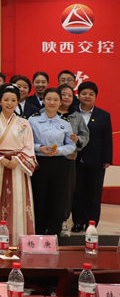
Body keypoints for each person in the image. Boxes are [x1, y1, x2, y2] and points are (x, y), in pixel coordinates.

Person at [0, 84, 36, 246]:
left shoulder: (24, 123)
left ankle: (18, 237)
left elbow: (29, 146)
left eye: (13, 100)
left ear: (18, 101)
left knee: (18, 201)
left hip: (18, 166)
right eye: (6, 100)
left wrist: (17, 159)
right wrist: (0, 159)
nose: (9, 103)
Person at [28, 88, 76, 236]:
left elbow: (71, 145)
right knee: (39, 196)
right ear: (43, 100)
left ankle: (54, 232)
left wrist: (59, 151)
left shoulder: (65, 122)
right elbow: (26, 143)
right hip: (39, 163)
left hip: (60, 164)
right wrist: (40, 148)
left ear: (60, 102)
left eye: (56, 99)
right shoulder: (32, 120)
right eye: (49, 99)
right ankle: (38, 231)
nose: (52, 102)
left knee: (57, 197)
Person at [72, 81, 113, 231]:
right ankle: (77, 222)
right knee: (78, 191)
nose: (87, 96)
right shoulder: (72, 113)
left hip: (96, 159)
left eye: (91, 94)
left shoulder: (103, 115)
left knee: (94, 192)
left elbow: (107, 138)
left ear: (95, 96)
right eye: (84, 93)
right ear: (78, 95)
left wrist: (107, 159)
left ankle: (91, 223)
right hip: (75, 158)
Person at [57, 84, 89, 236]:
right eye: (63, 94)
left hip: (69, 159)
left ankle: (63, 221)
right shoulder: (45, 113)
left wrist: (78, 140)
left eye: (70, 95)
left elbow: (85, 135)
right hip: (47, 158)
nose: (66, 98)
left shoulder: (77, 116)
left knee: (66, 192)